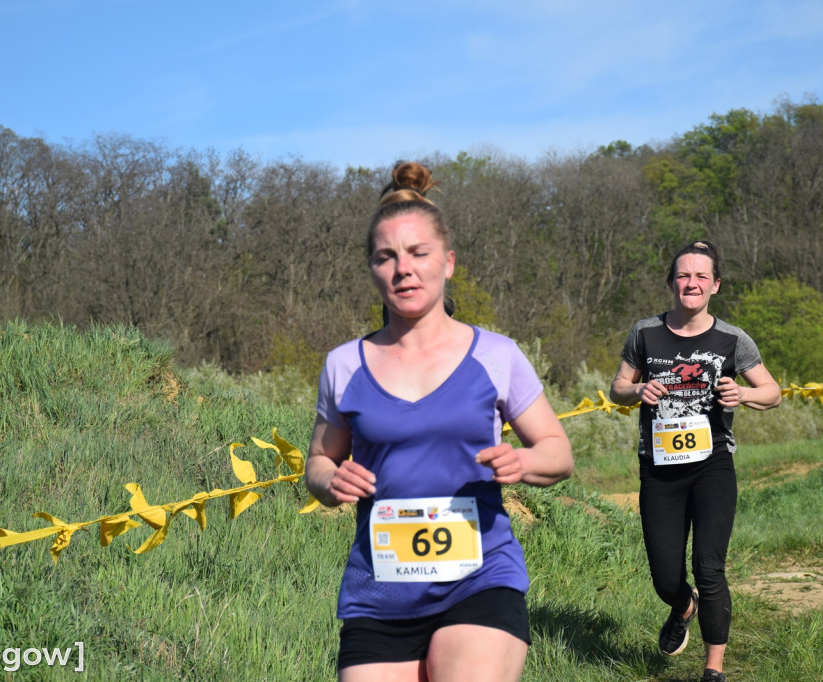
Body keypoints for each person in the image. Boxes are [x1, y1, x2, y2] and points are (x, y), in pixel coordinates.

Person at [306, 161, 574, 682]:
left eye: (417, 253)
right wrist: (329, 479)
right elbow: (319, 460)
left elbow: (558, 453)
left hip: (479, 580)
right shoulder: (343, 364)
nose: (402, 269)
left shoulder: (497, 355)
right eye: (386, 257)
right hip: (378, 592)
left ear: (447, 262)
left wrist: (521, 459)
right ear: (372, 270)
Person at [608, 240, 781, 682]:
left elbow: (772, 392)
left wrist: (742, 392)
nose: (692, 283)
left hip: (712, 465)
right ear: (671, 283)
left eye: (701, 276)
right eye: (684, 275)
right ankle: (683, 607)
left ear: (715, 285)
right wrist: (636, 391)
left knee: (709, 567)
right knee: (666, 577)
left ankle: (713, 670)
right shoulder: (645, 332)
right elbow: (617, 387)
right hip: (659, 468)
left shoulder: (732, 339)